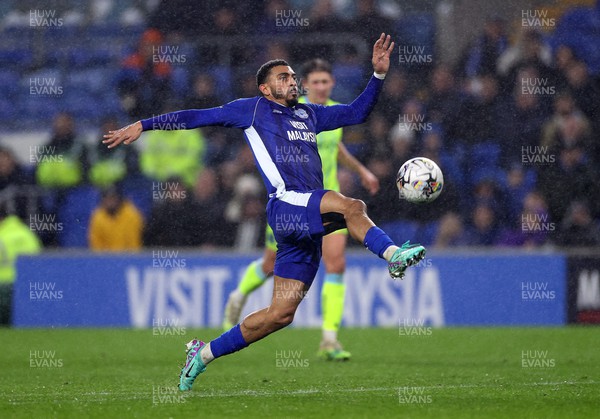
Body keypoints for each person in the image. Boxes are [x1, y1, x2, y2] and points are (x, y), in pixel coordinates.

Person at [103, 34, 426, 392]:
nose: (292, 81)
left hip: (304, 224)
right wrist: (144, 125)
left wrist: (378, 75)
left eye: (292, 76)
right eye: (283, 78)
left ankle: (203, 353)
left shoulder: (309, 113)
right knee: (352, 206)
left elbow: (356, 113)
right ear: (265, 88)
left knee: (280, 315)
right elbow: (197, 116)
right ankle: (394, 255)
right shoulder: (253, 108)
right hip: (288, 203)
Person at [222, 59, 380, 361]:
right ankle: (239, 294)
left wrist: (362, 171)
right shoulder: (288, 111)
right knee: (270, 265)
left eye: (326, 82)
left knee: (336, 264)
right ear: (306, 84)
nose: (321, 87)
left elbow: (337, 148)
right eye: (315, 82)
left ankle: (329, 338)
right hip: (293, 203)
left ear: (332, 83)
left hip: (330, 201)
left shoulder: (326, 114)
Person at [88, 186, 144, 251]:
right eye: (107, 199)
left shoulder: (131, 214)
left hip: (129, 257)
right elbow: (96, 246)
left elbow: (134, 243)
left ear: (119, 199)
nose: (110, 202)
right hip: (106, 258)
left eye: (113, 198)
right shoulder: (98, 217)